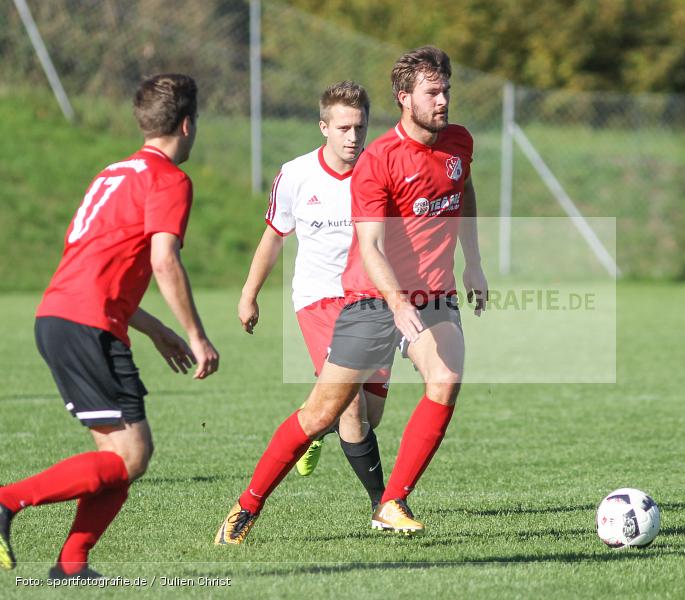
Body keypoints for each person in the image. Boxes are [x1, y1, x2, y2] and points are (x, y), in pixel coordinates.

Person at [216, 45, 487, 543]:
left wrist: (473, 262)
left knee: (445, 378)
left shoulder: (459, 143)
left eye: (447, 88)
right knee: (325, 415)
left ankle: (391, 502)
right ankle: (246, 506)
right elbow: (371, 246)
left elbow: (463, 189)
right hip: (372, 299)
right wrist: (398, 303)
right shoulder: (379, 160)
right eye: (433, 92)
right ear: (405, 98)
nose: (444, 99)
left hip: (434, 296)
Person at [0, 74, 219, 579]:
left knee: (120, 453)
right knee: (132, 454)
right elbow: (164, 261)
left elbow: (96, 268)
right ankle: (7, 501)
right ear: (187, 125)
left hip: (62, 316)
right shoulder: (168, 179)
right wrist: (195, 334)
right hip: (87, 325)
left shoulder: (113, 173)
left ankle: (72, 565)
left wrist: (154, 329)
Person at [237, 80, 391, 511]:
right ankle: (385, 505)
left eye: (359, 127)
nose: (353, 137)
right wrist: (249, 294)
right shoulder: (296, 174)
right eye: (343, 128)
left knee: (367, 416)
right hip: (318, 300)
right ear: (324, 127)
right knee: (352, 412)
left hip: (371, 302)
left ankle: (310, 426)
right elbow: (274, 236)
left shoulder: (378, 170)